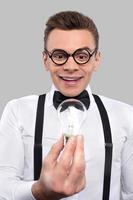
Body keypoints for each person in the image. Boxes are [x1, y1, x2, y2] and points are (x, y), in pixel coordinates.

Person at [0, 10, 133, 200]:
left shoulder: (126, 115)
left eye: (82, 55)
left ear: (97, 60)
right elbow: (2, 188)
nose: (70, 67)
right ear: (45, 60)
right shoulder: (17, 111)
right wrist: (39, 191)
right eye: (60, 55)